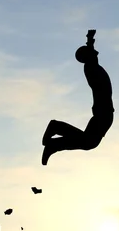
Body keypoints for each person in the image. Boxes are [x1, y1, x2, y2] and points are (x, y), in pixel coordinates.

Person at [41, 30, 114, 165]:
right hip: (103, 112)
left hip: (103, 112)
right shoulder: (91, 68)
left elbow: (92, 53)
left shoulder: (93, 66)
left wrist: (90, 40)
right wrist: (90, 40)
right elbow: (91, 55)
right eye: (92, 52)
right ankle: (55, 129)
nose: (96, 53)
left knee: (87, 142)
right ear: (87, 57)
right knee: (88, 142)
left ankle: (54, 141)